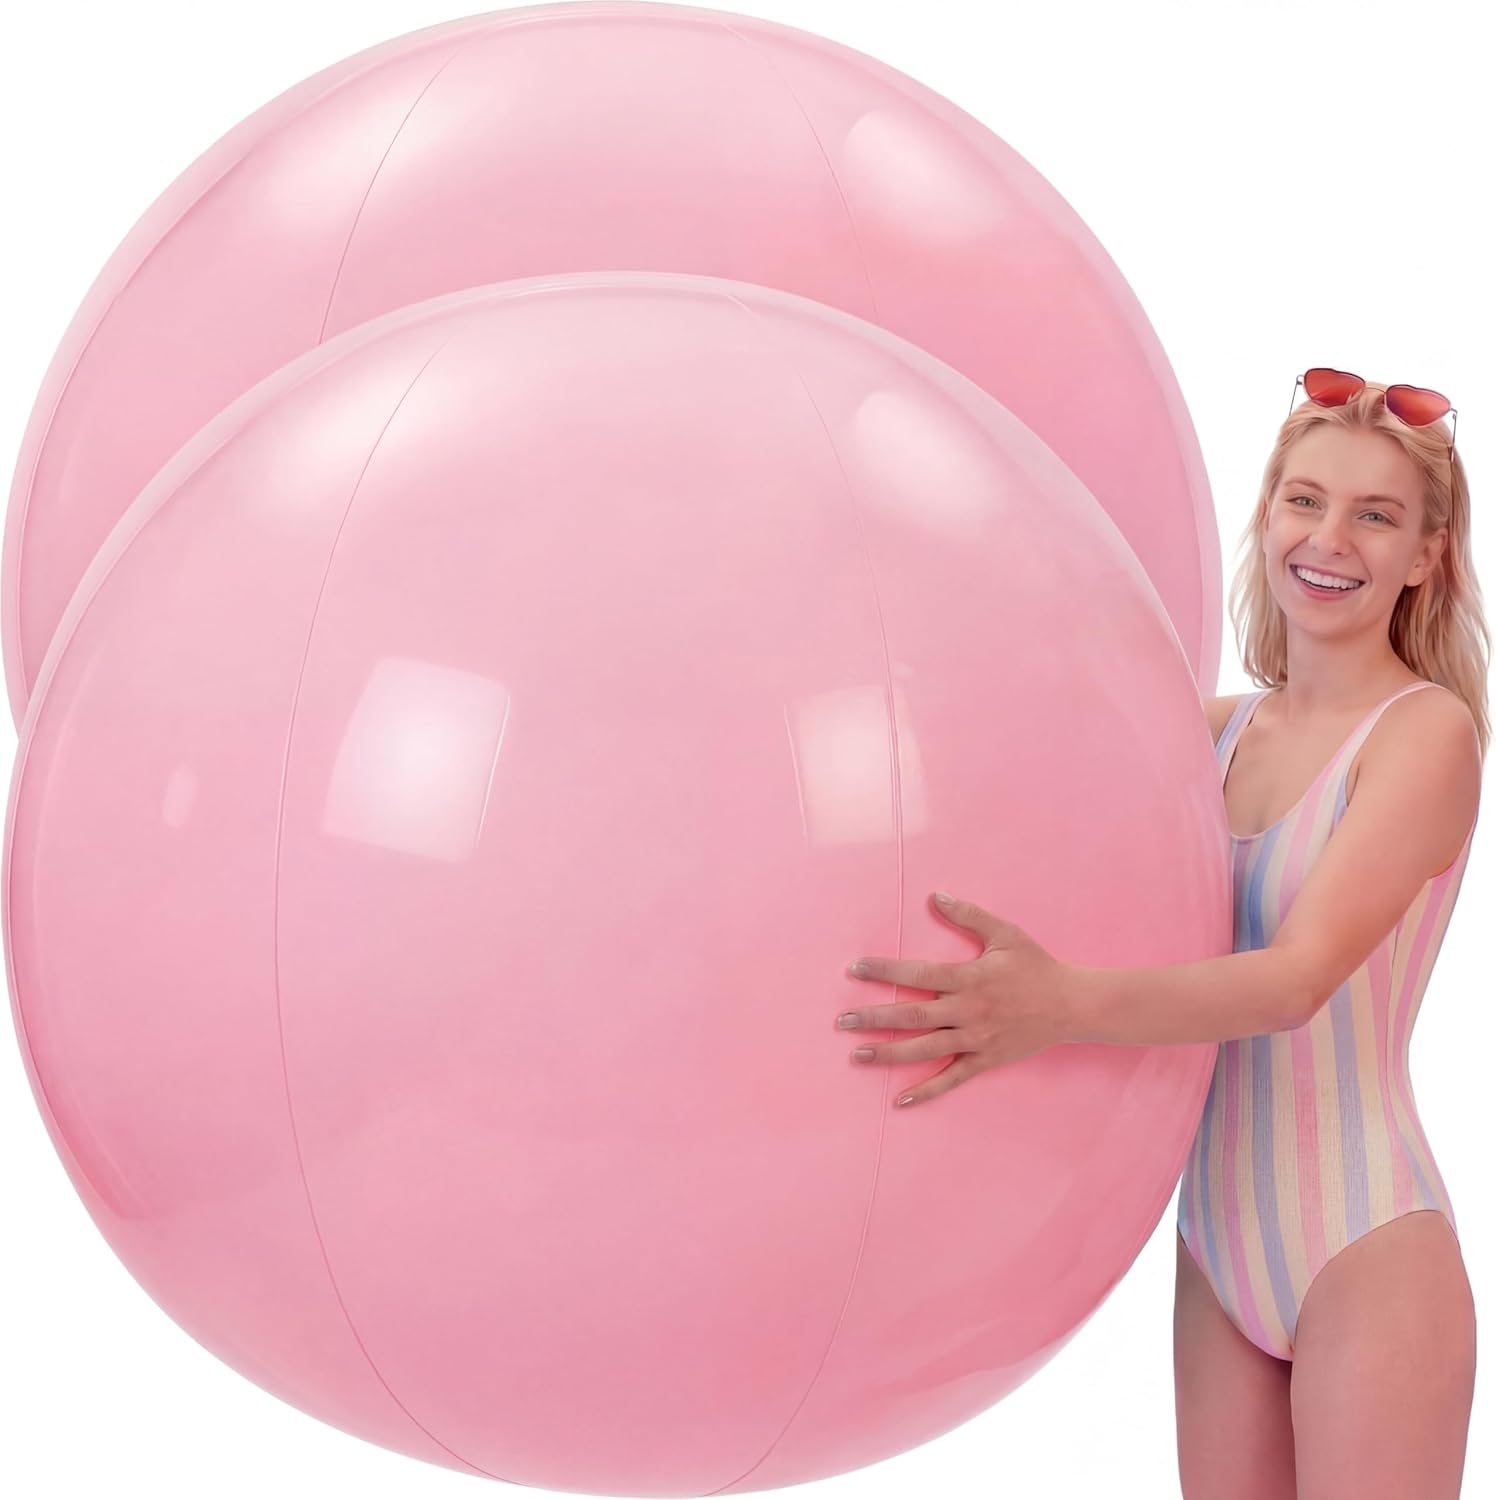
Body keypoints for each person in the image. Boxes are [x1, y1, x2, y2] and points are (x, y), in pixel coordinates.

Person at [1173, 368, 1487, 1499]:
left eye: (1375, 515)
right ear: (1267, 514)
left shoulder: (1425, 734)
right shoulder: (1205, 733)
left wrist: (1043, 1002)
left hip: (1364, 1244)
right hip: (1212, 1247)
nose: (1328, 538)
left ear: (1425, 555)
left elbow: (1293, 980)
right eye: (1304, 499)